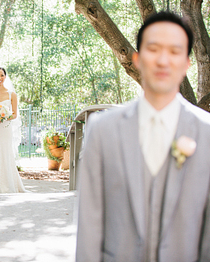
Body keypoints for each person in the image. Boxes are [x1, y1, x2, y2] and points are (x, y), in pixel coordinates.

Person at [76, 11, 210, 261]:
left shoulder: (207, 133)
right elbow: (89, 222)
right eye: (153, 49)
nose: (162, 60)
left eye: (174, 51)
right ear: (136, 59)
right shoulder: (102, 129)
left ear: (187, 63)